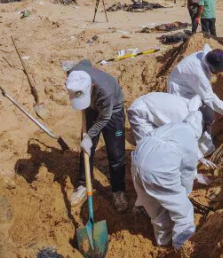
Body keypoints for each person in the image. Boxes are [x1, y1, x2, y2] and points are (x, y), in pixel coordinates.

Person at [132, 109, 213, 250]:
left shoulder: (174, 126)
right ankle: (181, 247)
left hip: (137, 161)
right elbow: (186, 174)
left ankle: (163, 243)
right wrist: (184, 196)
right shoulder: (190, 140)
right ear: (202, 127)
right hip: (158, 170)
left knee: (156, 211)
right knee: (184, 212)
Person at [66, 61, 128, 212]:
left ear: (92, 85)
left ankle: (118, 191)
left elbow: (104, 118)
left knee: (116, 153)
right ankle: (83, 184)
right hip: (91, 105)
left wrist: (89, 135)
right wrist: (87, 139)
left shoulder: (106, 92)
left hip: (112, 112)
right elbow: (86, 62)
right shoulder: (75, 75)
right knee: (86, 148)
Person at [167, 45, 223, 121]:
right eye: (217, 71)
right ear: (212, 67)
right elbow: (209, 97)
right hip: (180, 90)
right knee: (183, 117)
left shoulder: (207, 56)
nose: (216, 74)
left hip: (190, 85)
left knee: (197, 109)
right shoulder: (198, 73)